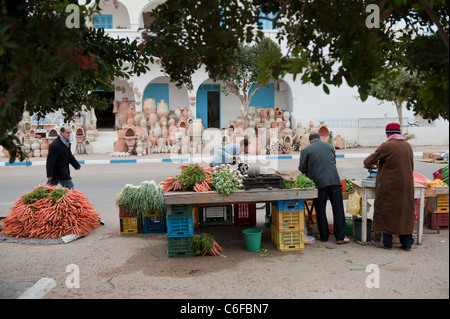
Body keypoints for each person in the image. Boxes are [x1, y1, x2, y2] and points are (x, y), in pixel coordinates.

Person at [363, 122, 414, 251]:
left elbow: (369, 161)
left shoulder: (387, 145)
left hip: (390, 185)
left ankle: (386, 242)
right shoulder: (408, 146)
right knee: (404, 212)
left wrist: (371, 165)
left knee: (386, 210)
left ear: (388, 133)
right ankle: (407, 243)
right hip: (407, 185)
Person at [299, 133, 350, 244]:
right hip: (334, 181)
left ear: (310, 140)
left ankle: (324, 236)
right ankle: (340, 237)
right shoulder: (329, 146)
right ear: (319, 138)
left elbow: (302, 169)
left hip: (319, 183)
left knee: (320, 209)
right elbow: (333, 162)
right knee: (338, 209)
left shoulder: (306, 150)